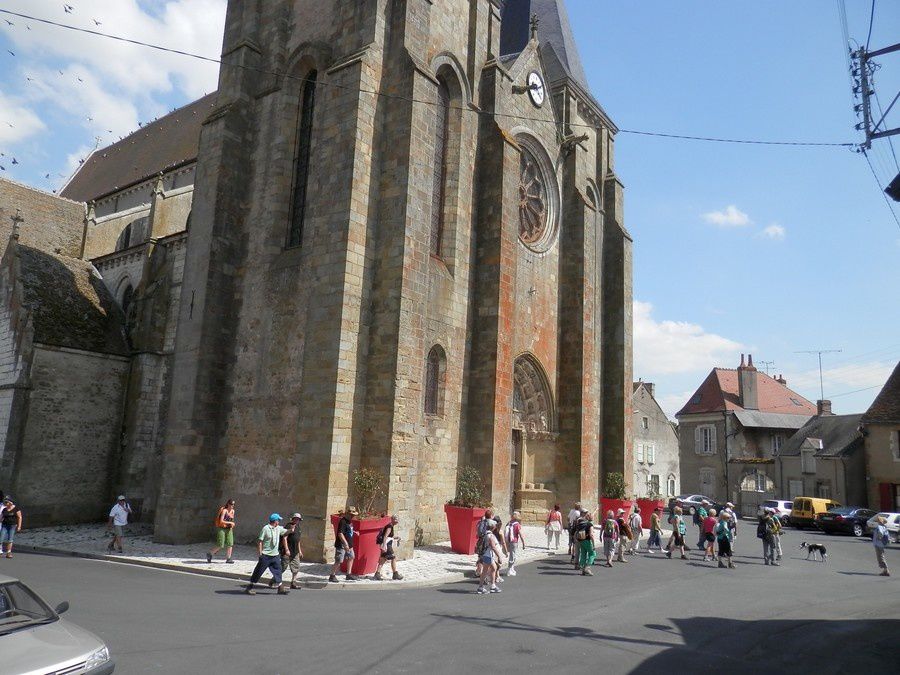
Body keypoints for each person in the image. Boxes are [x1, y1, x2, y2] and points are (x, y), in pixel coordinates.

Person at [246, 513, 289, 595]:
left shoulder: (278, 528)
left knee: (278, 571)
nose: (279, 522)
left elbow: (286, 532)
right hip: (266, 555)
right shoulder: (265, 529)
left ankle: (280, 588)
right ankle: (249, 587)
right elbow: (260, 541)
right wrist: (260, 554)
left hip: (275, 555)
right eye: (278, 520)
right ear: (275, 521)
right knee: (258, 571)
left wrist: (291, 529)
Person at [329, 509, 359, 582]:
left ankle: (348, 574)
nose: (353, 516)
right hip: (342, 544)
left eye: (353, 515)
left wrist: (354, 532)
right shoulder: (343, 522)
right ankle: (332, 575)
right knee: (339, 560)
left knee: (351, 557)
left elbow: (348, 531)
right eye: (352, 515)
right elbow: (340, 533)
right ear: (347, 514)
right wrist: (345, 544)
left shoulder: (349, 521)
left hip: (349, 544)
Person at [476, 519, 504, 594]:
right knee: (485, 571)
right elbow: (493, 547)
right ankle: (481, 587)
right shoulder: (490, 536)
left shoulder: (485, 534)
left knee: (494, 568)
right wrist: (499, 556)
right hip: (488, 555)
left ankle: (493, 586)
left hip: (487, 555)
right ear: (493, 527)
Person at [374, 514, 404, 581]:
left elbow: (388, 536)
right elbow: (385, 536)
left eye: (397, 519)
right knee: (393, 558)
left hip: (386, 544)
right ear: (392, 519)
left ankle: (377, 574)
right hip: (387, 545)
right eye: (395, 519)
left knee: (383, 559)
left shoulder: (390, 526)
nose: (397, 520)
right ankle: (395, 574)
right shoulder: (390, 526)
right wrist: (384, 546)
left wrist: (395, 537)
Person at [207, 499, 236, 564]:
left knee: (230, 544)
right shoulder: (224, 510)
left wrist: (231, 526)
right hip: (222, 528)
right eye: (231, 504)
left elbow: (231, 520)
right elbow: (221, 521)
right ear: (228, 504)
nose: (232, 506)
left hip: (229, 528)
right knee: (220, 544)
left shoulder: (233, 511)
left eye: (233, 504)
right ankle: (210, 553)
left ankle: (228, 558)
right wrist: (230, 523)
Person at [281, 513, 304, 589]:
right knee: (283, 567)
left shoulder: (298, 527)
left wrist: (300, 551)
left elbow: (298, 540)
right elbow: (284, 538)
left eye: (298, 519)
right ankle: (274, 580)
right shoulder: (288, 526)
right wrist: (286, 549)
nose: (297, 520)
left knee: (296, 567)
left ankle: (293, 583)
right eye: (296, 519)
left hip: (295, 551)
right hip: (287, 551)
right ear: (293, 519)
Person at [474, 509, 495, 578]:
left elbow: (478, 532)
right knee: (487, 557)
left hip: (480, 541)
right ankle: (485, 575)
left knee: (480, 556)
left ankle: (478, 571)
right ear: (491, 515)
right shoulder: (492, 522)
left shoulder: (481, 522)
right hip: (488, 540)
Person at [575, 510, 596, 575]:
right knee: (592, 554)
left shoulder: (581, 524)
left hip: (581, 540)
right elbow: (591, 535)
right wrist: (593, 544)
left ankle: (583, 569)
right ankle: (588, 567)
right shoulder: (589, 524)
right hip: (587, 540)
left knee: (583, 554)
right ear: (589, 517)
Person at [505, 511, 526, 576]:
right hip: (514, 541)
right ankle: (509, 569)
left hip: (508, 540)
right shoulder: (517, 525)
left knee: (512, 555)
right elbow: (520, 534)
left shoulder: (509, 523)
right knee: (513, 555)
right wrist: (523, 543)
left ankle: (512, 568)